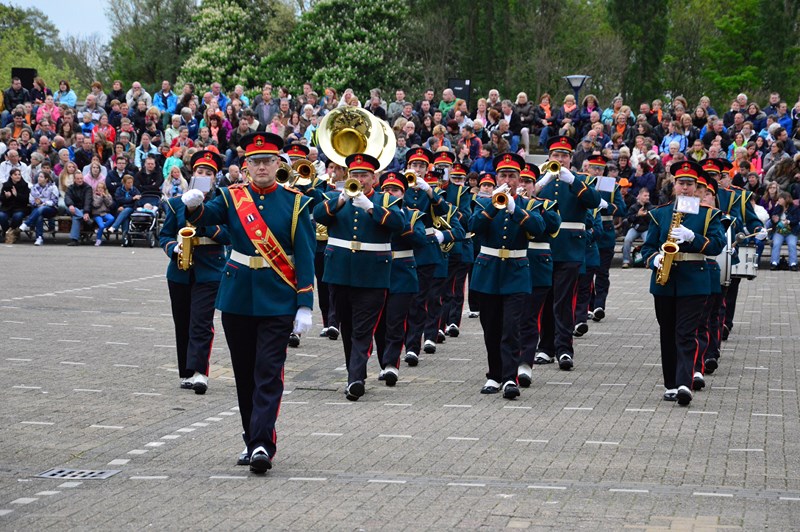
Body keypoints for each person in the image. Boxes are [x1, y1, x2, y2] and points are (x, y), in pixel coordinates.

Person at [181, 132, 315, 473]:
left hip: (278, 300)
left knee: (268, 373)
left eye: (268, 160)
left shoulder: (296, 203)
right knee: (244, 375)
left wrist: (305, 303)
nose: (262, 167)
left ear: (278, 164)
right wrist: (194, 204)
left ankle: (261, 445)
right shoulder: (231, 197)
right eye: (255, 162)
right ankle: (250, 438)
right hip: (238, 298)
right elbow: (204, 218)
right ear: (246, 167)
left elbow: (305, 255)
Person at [313, 153, 404, 400]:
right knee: (347, 328)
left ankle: (355, 379)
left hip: (372, 275)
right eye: (355, 175)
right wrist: (341, 199)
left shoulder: (387, 200)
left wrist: (370, 207)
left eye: (364, 175)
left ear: (374, 178)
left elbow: (399, 224)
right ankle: (356, 374)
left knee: (363, 330)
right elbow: (318, 215)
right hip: (340, 273)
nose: (360, 180)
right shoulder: (334, 198)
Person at [641, 160, 726, 405]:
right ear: (674, 185)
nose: (685, 188)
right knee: (667, 333)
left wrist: (693, 237)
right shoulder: (660, 214)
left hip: (694, 280)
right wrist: (654, 258)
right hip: (664, 281)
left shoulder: (709, 214)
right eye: (681, 183)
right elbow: (647, 248)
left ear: (697, 186)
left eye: (690, 184)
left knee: (686, 333)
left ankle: (684, 383)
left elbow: (717, 245)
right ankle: (670, 384)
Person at [469, 153, 546, 398]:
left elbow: (538, 229)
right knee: (491, 328)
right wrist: (494, 203)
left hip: (516, 272)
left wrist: (514, 208)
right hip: (489, 272)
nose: (508, 180)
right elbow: (473, 227)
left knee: (511, 328)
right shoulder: (483, 202)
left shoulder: (528, 206)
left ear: (520, 180)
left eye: (513, 176)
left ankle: (510, 378)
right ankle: (494, 375)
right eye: (503, 175)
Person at [160, 150, 230, 394]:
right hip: (180, 270)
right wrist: (174, 249)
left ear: (215, 177)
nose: (203, 175)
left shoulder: (221, 202)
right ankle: (186, 372)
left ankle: (200, 371)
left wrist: (204, 225)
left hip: (210, 270)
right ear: (192, 174)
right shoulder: (176, 202)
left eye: (208, 173)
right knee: (183, 322)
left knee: (201, 322)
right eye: (200, 171)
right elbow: (165, 235)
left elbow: (229, 235)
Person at [534, 136, 601, 370]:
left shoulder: (582, 180)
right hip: (544, 250)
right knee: (545, 300)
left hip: (570, 250)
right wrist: (540, 183)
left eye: (564, 156)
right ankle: (545, 348)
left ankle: (564, 349)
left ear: (571, 159)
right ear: (549, 158)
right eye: (556, 155)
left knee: (563, 303)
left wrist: (573, 181)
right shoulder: (540, 181)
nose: (560, 160)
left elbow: (594, 201)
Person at [373, 172, 427, 386]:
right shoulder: (374, 212)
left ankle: (391, 364)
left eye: (394, 190)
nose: (390, 193)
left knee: (396, 321)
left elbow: (421, 240)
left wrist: (401, 223)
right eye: (386, 189)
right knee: (379, 324)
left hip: (402, 273)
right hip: (377, 273)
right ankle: (382, 363)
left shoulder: (412, 215)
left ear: (403, 194)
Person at [516, 164, 561, 387]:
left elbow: (553, 226)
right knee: (511, 318)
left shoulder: (547, 205)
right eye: (520, 181)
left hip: (537, 267)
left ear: (536, 186)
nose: (523, 186)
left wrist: (532, 205)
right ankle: (509, 362)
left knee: (530, 317)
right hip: (512, 267)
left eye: (528, 182)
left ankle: (525, 363)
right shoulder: (503, 204)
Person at [586, 155, 626, 322]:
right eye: (594, 168)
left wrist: (606, 206)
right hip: (588, 232)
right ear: (588, 169)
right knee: (587, 273)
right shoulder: (582, 184)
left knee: (602, 272)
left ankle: (599, 305)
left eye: (600, 169)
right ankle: (588, 306)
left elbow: (622, 209)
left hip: (605, 231)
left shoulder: (611, 186)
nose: (597, 172)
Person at [19, 171, 59, 245]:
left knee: (42, 208)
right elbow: (31, 200)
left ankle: (27, 223)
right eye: (38, 176)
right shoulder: (34, 187)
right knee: (39, 216)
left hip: (50, 209)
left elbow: (54, 201)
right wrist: (36, 203)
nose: (39, 178)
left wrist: (43, 203)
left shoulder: (53, 187)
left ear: (46, 179)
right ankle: (39, 238)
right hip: (37, 209)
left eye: (41, 177)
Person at [622, 188, 653, 267]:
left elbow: (653, 221)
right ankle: (626, 261)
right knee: (627, 239)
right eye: (645, 196)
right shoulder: (634, 207)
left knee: (648, 241)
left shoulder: (651, 207)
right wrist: (637, 215)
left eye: (648, 196)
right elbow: (629, 219)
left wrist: (646, 215)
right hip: (635, 228)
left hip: (646, 229)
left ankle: (648, 260)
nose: (647, 197)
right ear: (639, 196)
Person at [769, 192, 799, 270]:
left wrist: (788, 221)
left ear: (786, 199)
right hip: (779, 231)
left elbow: (796, 220)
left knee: (792, 244)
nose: (778, 200)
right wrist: (774, 220)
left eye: (780, 198)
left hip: (791, 232)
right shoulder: (778, 207)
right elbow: (773, 218)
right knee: (776, 244)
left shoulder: (795, 208)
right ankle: (774, 263)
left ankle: (793, 263)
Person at [0, 168, 30, 243]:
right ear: (11, 176)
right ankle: (6, 232)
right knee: (1, 216)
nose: (18, 176)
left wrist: (17, 195)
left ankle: (11, 232)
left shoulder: (24, 185)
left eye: (19, 174)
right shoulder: (6, 185)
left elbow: (26, 199)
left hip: (20, 208)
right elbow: (2, 199)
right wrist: (6, 197)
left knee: (17, 216)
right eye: (15, 175)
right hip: (7, 208)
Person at [64, 171, 93, 246]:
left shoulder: (88, 188)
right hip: (72, 208)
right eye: (78, 179)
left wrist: (86, 212)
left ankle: (74, 239)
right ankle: (85, 219)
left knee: (75, 217)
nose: (80, 180)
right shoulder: (70, 188)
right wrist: (70, 205)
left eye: (81, 178)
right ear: (74, 179)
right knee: (73, 211)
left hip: (83, 209)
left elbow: (88, 200)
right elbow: (67, 197)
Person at [91, 181, 115, 246]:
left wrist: (105, 197)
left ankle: (99, 230)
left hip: (105, 213)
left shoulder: (108, 195)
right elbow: (95, 205)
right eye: (99, 187)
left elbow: (110, 204)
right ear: (96, 188)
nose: (100, 189)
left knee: (112, 218)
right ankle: (98, 239)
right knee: (101, 225)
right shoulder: (94, 196)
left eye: (102, 188)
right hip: (97, 214)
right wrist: (101, 198)